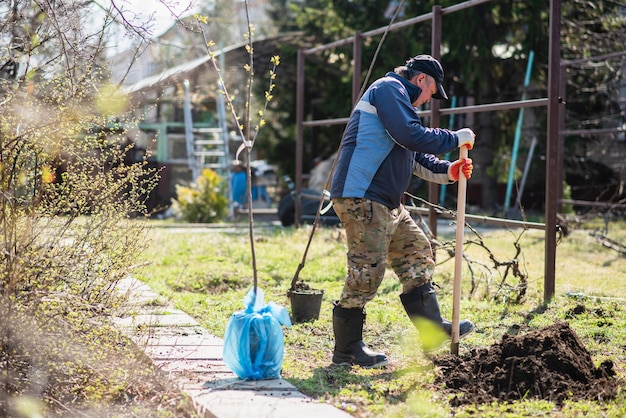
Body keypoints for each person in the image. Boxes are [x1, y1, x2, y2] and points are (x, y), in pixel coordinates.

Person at [329, 54, 476, 368]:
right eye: (431, 92)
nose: (428, 100)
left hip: (386, 202)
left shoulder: (401, 107)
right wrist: (454, 137)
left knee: (416, 254)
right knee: (366, 272)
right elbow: (411, 136)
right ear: (420, 79)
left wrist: (450, 170)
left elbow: (415, 153)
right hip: (362, 196)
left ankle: (433, 330)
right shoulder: (388, 89)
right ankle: (346, 351)